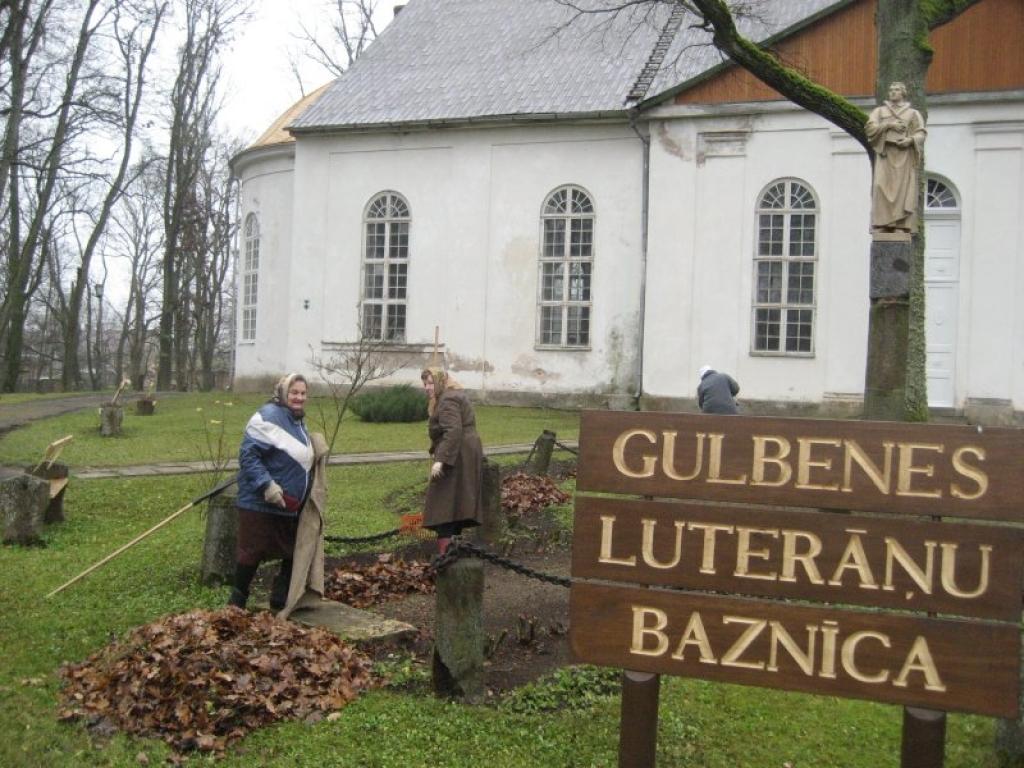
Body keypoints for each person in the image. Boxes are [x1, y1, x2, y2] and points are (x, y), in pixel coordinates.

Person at [229, 373, 314, 610]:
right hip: (260, 502)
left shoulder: (297, 420)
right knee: (251, 553)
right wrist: (267, 485)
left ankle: (279, 598)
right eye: (294, 392)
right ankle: (237, 603)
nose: (299, 397)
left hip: (287, 504)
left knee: (290, 549)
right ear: (283, 393)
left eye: (303, 393)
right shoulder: (267, 417)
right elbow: (248, 455)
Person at [420, 367, 484, 554]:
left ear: (441, 381)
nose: (427, 387)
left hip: (457, 455)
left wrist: (441, 460)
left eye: (431, 383)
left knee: (444, 505)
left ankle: (446, 555)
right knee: (454, 504)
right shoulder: (450, 395)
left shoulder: (448, 399)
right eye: (425, 384)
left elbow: (453, 431)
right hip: (462, 452)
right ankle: (451, 551)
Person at [865, 81, 927, 235]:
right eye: (891, 89)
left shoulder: (912, 113)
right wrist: (888, 126)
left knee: (902, 189)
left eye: (896, 90)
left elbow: (921, 133)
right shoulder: (879, 111)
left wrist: (910, 140)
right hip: (885, 155)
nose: (893, 92)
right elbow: (870, 128)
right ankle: (882, 224)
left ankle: (901, 224)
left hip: (903, 156)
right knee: (880, 187)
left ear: (903, 93)